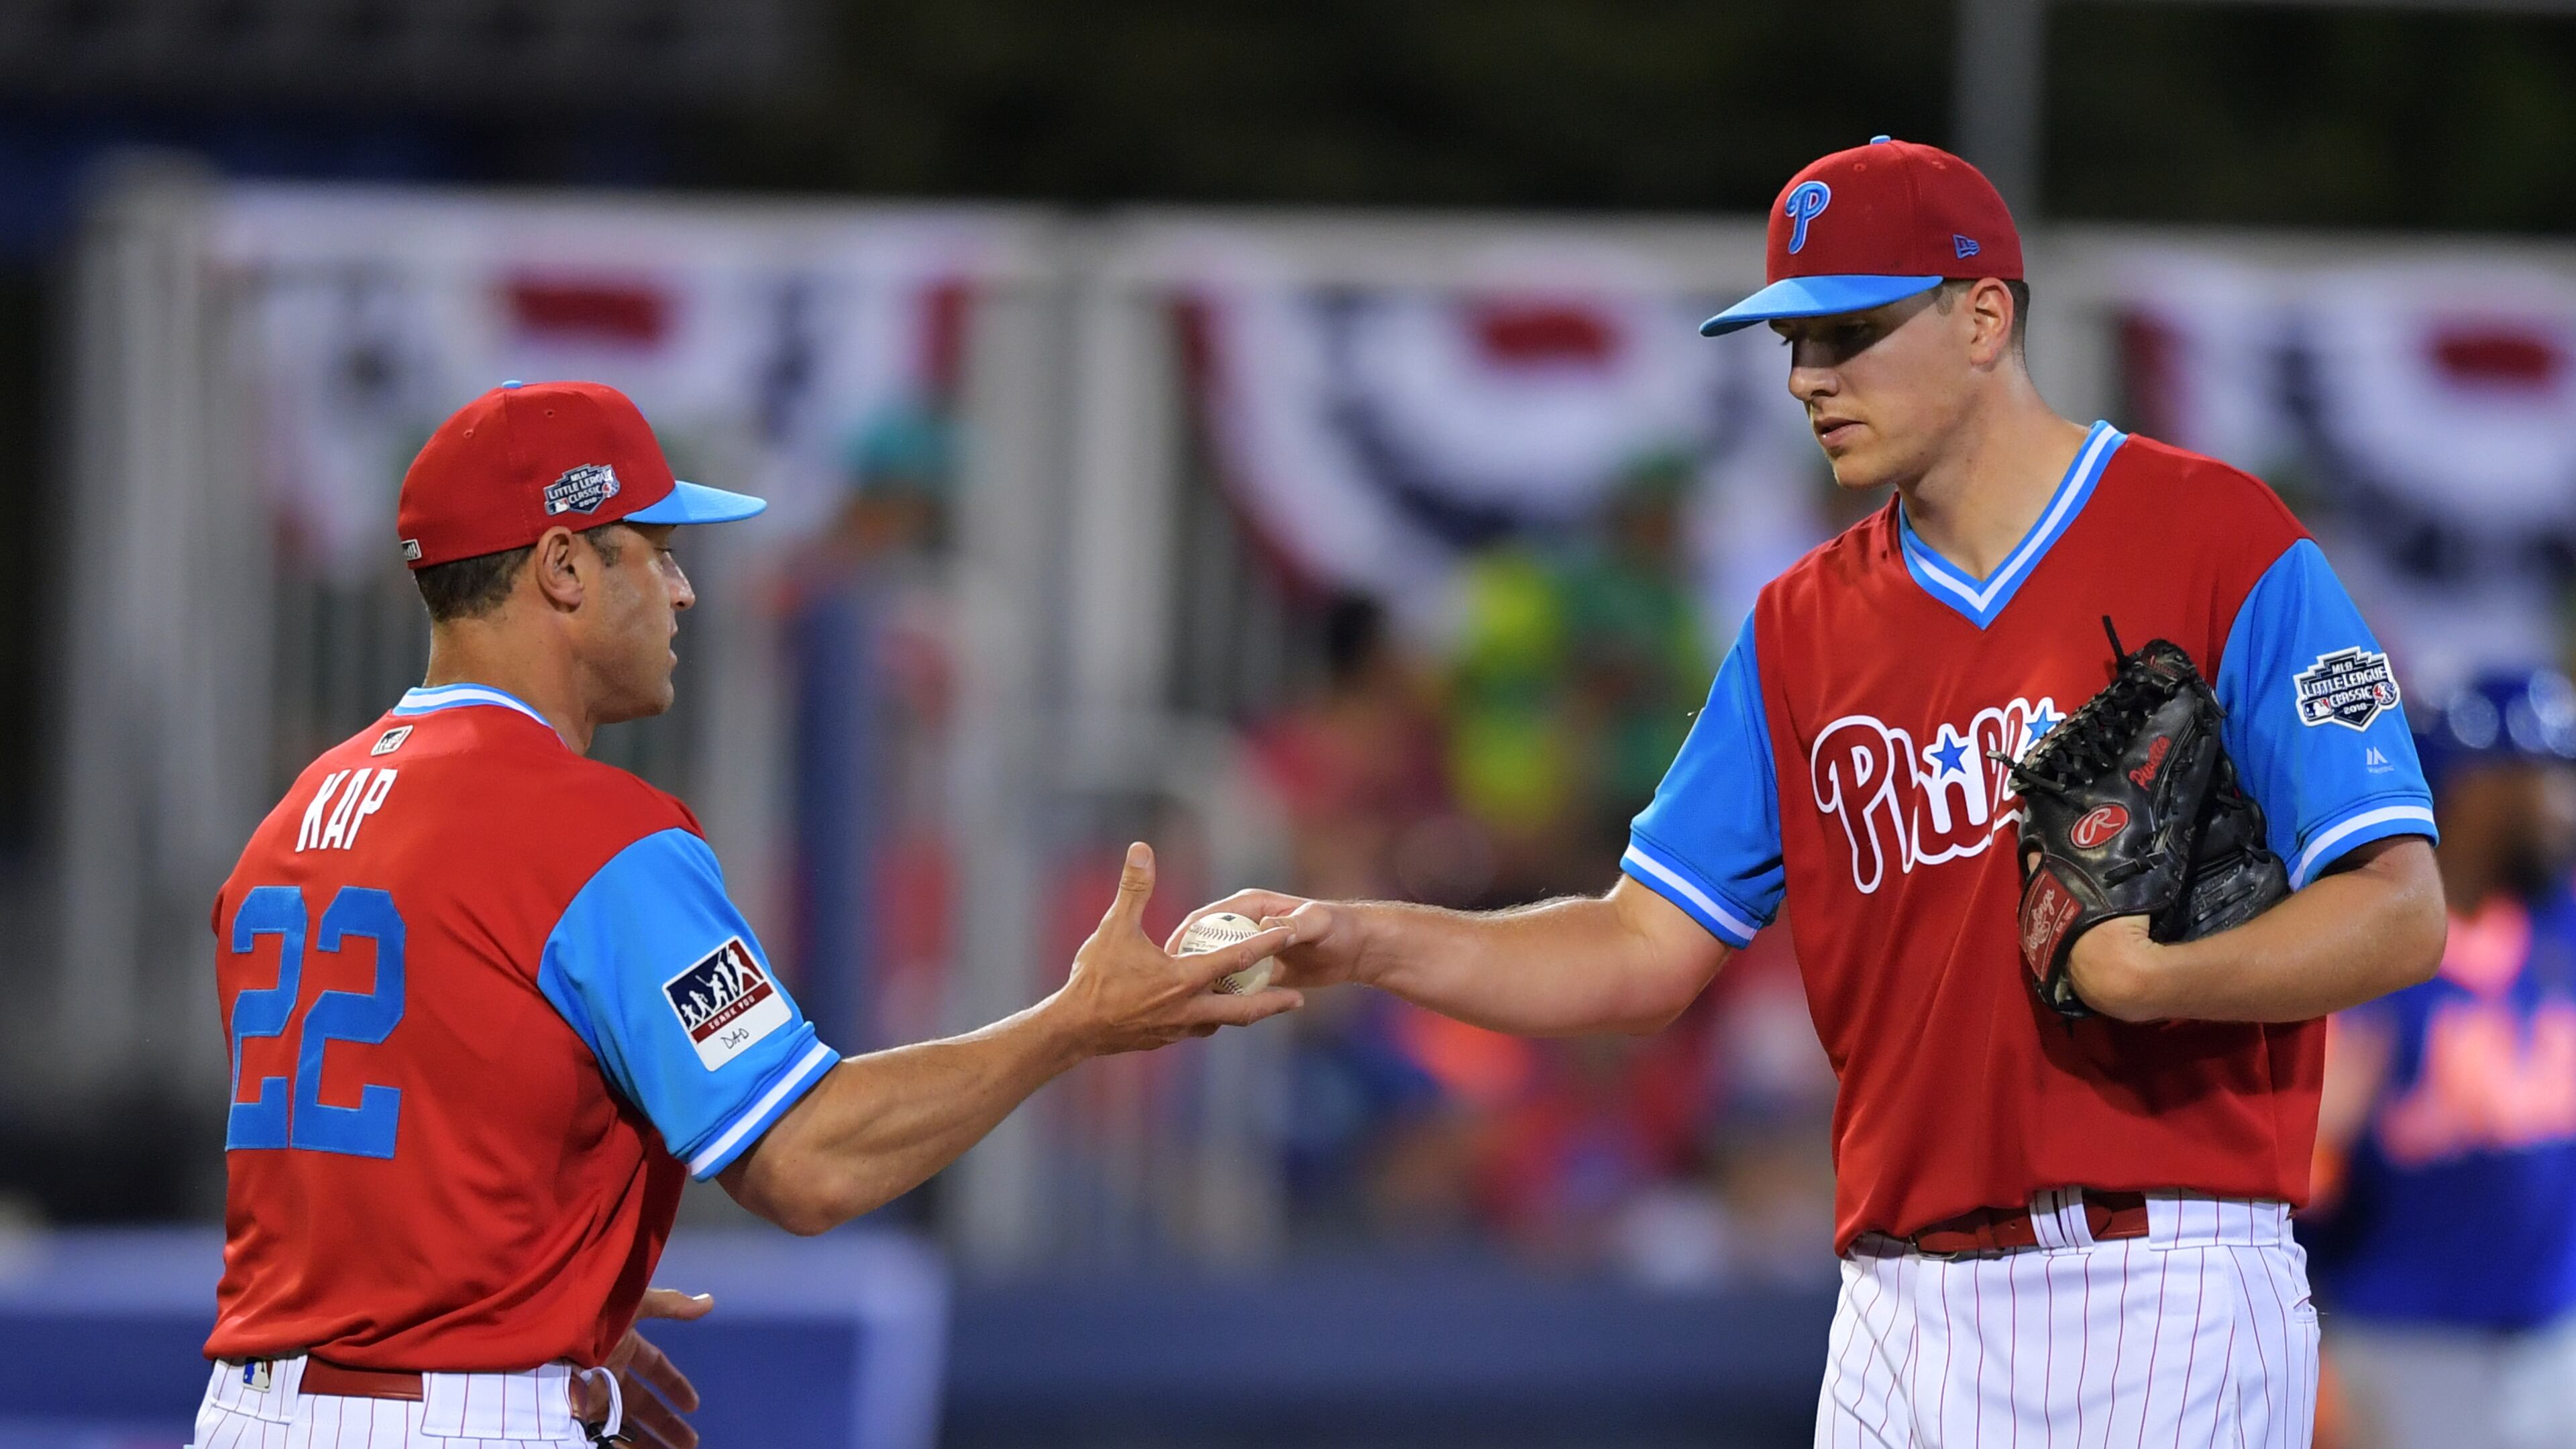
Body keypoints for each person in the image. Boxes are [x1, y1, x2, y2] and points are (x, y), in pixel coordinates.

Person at [1186, 138, 2447, 1447]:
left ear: (1984, 316)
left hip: (2152, 1272)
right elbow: (1637, 947)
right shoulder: (1800, 627)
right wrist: (1367, 935)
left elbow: (2400, 910)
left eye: (1847, 333)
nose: (1806, 378)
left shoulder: (2214, 540)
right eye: (1790, 340)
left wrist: (2154, 980)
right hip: (1894, 1309)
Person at [196, 380, 1297, 1448]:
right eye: (658, 550)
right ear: (566, 565)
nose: (681, 592)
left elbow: (382, 1159)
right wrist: (1072, 1025)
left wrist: (540, 1298)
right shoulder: (588, 831)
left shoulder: (295, 819)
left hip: (257, 1411)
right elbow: (806, 1164)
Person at [2306, 669, 2576, 1449]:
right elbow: (2300, 1183)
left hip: (2554, 1339)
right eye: (2539, 775)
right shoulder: (2367, 956)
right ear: (2472, 790)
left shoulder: (2558, 928)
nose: (2560, 802)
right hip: (2406, 1344)